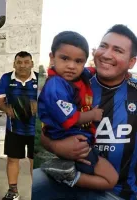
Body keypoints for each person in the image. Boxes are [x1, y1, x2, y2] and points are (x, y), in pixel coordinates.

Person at [32, 24, 137, 200]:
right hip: (66, 177)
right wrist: (57, 147)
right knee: (30, 185)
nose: (106, 54)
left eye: (117, 50)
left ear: (131, 62)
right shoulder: (72, 84)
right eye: (104, 46)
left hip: (119, 193)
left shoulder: (134, 91)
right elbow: (45, 132)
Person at [38, 31, 118, 189]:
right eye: (65, 58)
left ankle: (66, 168)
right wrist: (92, 114)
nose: (71, 66)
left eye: (78, 61)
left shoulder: (79, 76)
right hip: (70, 141)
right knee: (111, 179)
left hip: (76, 139)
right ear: (52, 57)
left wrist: (125, 73)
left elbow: (94, 70)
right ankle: (68, 176)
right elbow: (70, 118)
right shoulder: (56, 86)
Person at [0, 51, 38, 200]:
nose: (22, 65)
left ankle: (38, 193)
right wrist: (7, 109)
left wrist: (38, 106)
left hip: (36, 130)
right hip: (14, 128)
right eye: (19, 62)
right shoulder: (6, 78)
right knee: (13, 160)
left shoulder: (40, 79)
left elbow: (49, 101)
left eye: (26, 62)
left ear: (32, 64)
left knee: (35, 163)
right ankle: (13, 192)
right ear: (14, 64)